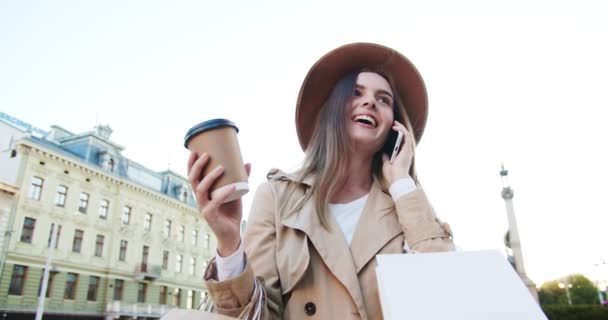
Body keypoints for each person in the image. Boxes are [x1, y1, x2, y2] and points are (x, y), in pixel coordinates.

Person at [187, 42, 455, 320]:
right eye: (355, 92)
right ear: (331, 111)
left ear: (395, 127)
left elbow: (448, 292)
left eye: (384, 99)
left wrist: (401, 181)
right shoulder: (276, 197)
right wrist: (230, 244)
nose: (370, 102)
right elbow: (257, 316)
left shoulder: (406, 201)